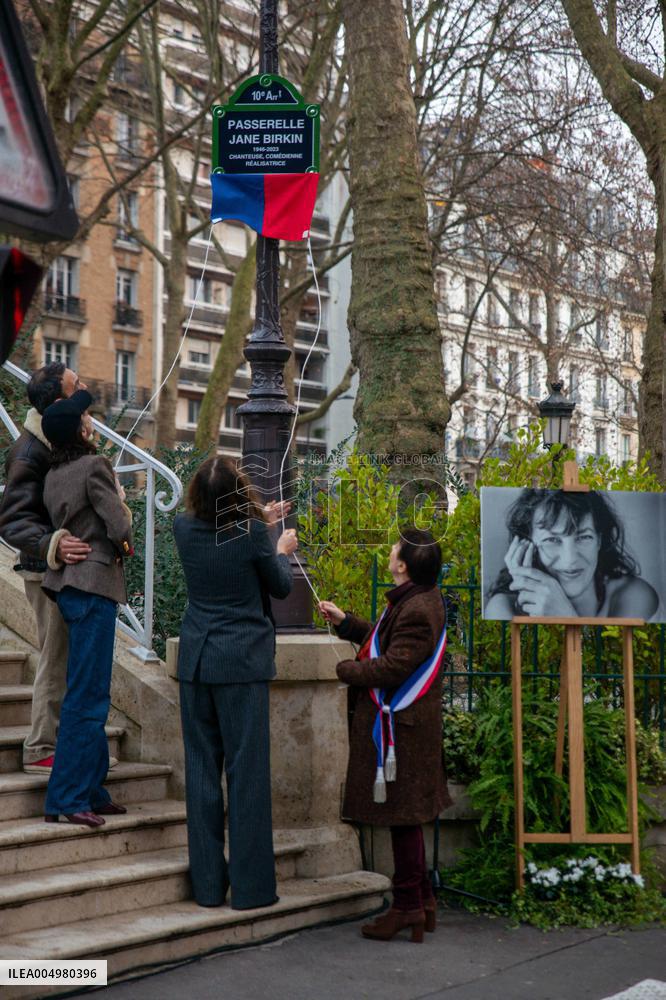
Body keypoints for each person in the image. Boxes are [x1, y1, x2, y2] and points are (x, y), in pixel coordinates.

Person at [173, 456, 297, 910]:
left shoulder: (183, 530)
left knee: (202, 773)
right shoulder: (251, 536)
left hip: (197, 662)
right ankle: (251, 890)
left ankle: (207, 888)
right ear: (240, 492)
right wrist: (279, 546)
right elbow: (281, 586)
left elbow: (219, 534)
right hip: (241, 663)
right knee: (246, 775)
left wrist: (261, 525)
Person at [318, 528, 449, 943]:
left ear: (403, 565)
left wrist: (343, 670)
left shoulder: (416, 609)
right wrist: (347, 624)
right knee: (404, 820)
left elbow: (394, 666)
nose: (390, 552)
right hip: (406, 729)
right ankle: (422, 901)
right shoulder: (416, 600)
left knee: (403, 819)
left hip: (403, 731)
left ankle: (408, 907)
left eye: (395, 549)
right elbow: (385, 641)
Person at [40, 389, 133, 828]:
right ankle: (67, 797)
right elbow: (120, 523)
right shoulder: (96, 465)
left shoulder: (54, 472)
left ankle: (93, 791)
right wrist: (119, 497)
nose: (92, 420)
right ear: (79, 429)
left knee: (88, 690)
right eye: (86, 417)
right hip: (94, 585)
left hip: (69, 587)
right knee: (88, 696)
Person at [0, 363, 98, 775]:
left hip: (67, 571)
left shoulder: (57, 438)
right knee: (55, 659)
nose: (86, 390)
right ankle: (41, 746)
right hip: (46, 573)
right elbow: (12, 520)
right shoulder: (28, 449)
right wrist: (53, 544)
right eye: (77, 387)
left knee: (69, 661)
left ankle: (65, 746)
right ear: (59, 401)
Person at [485, 489, 659, 620]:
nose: (570, 560)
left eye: (583, 537)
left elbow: (605, 666)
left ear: (599, 541)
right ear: (526, 546)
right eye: (552, 540)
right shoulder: (503, 609)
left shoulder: (635, 596)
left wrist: (565, 615)